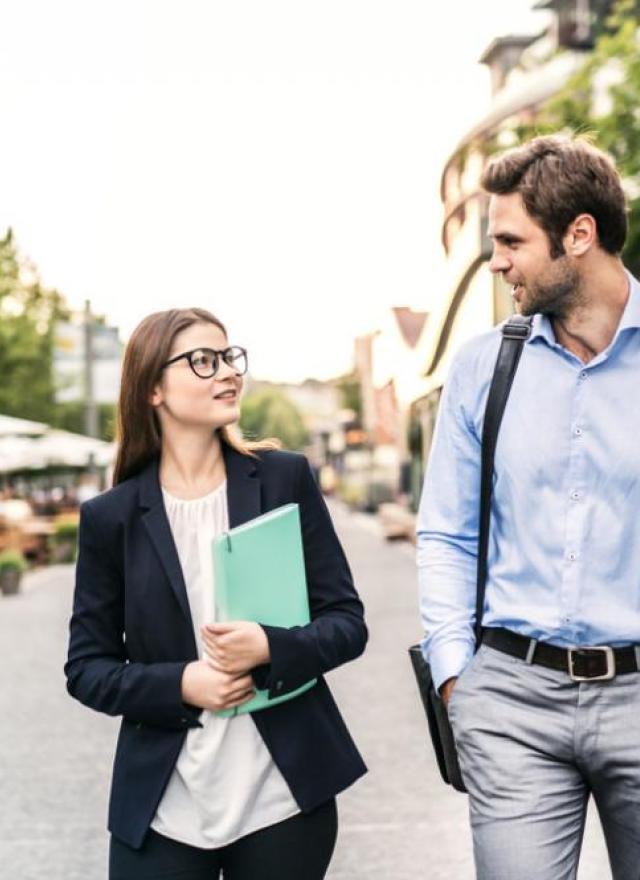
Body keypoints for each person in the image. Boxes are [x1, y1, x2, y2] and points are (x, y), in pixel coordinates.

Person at [65, 307, 367, 880]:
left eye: (229, 357)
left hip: (281, 798)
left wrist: (269, 648)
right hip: (164, 808)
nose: (227, 372)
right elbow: (87, 668)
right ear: (153, 388)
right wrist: (183, 683)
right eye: (202, 361)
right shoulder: (111, 518)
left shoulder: (283, 480)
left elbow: (346, 622)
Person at [417, 135, 640, 880]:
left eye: (511, 240)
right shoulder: (484, 366)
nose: (496, 260)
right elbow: (446, 530)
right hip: (512, 702)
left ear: (579, 235)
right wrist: (458, 679)